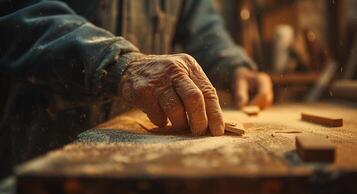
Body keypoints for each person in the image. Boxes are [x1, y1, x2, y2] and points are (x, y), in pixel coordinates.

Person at [0, 0, 272, 178]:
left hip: (131, 161)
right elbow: (18, 15)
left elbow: (202, 25)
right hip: (42, 151)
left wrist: (235, 66)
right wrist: (121, 65)